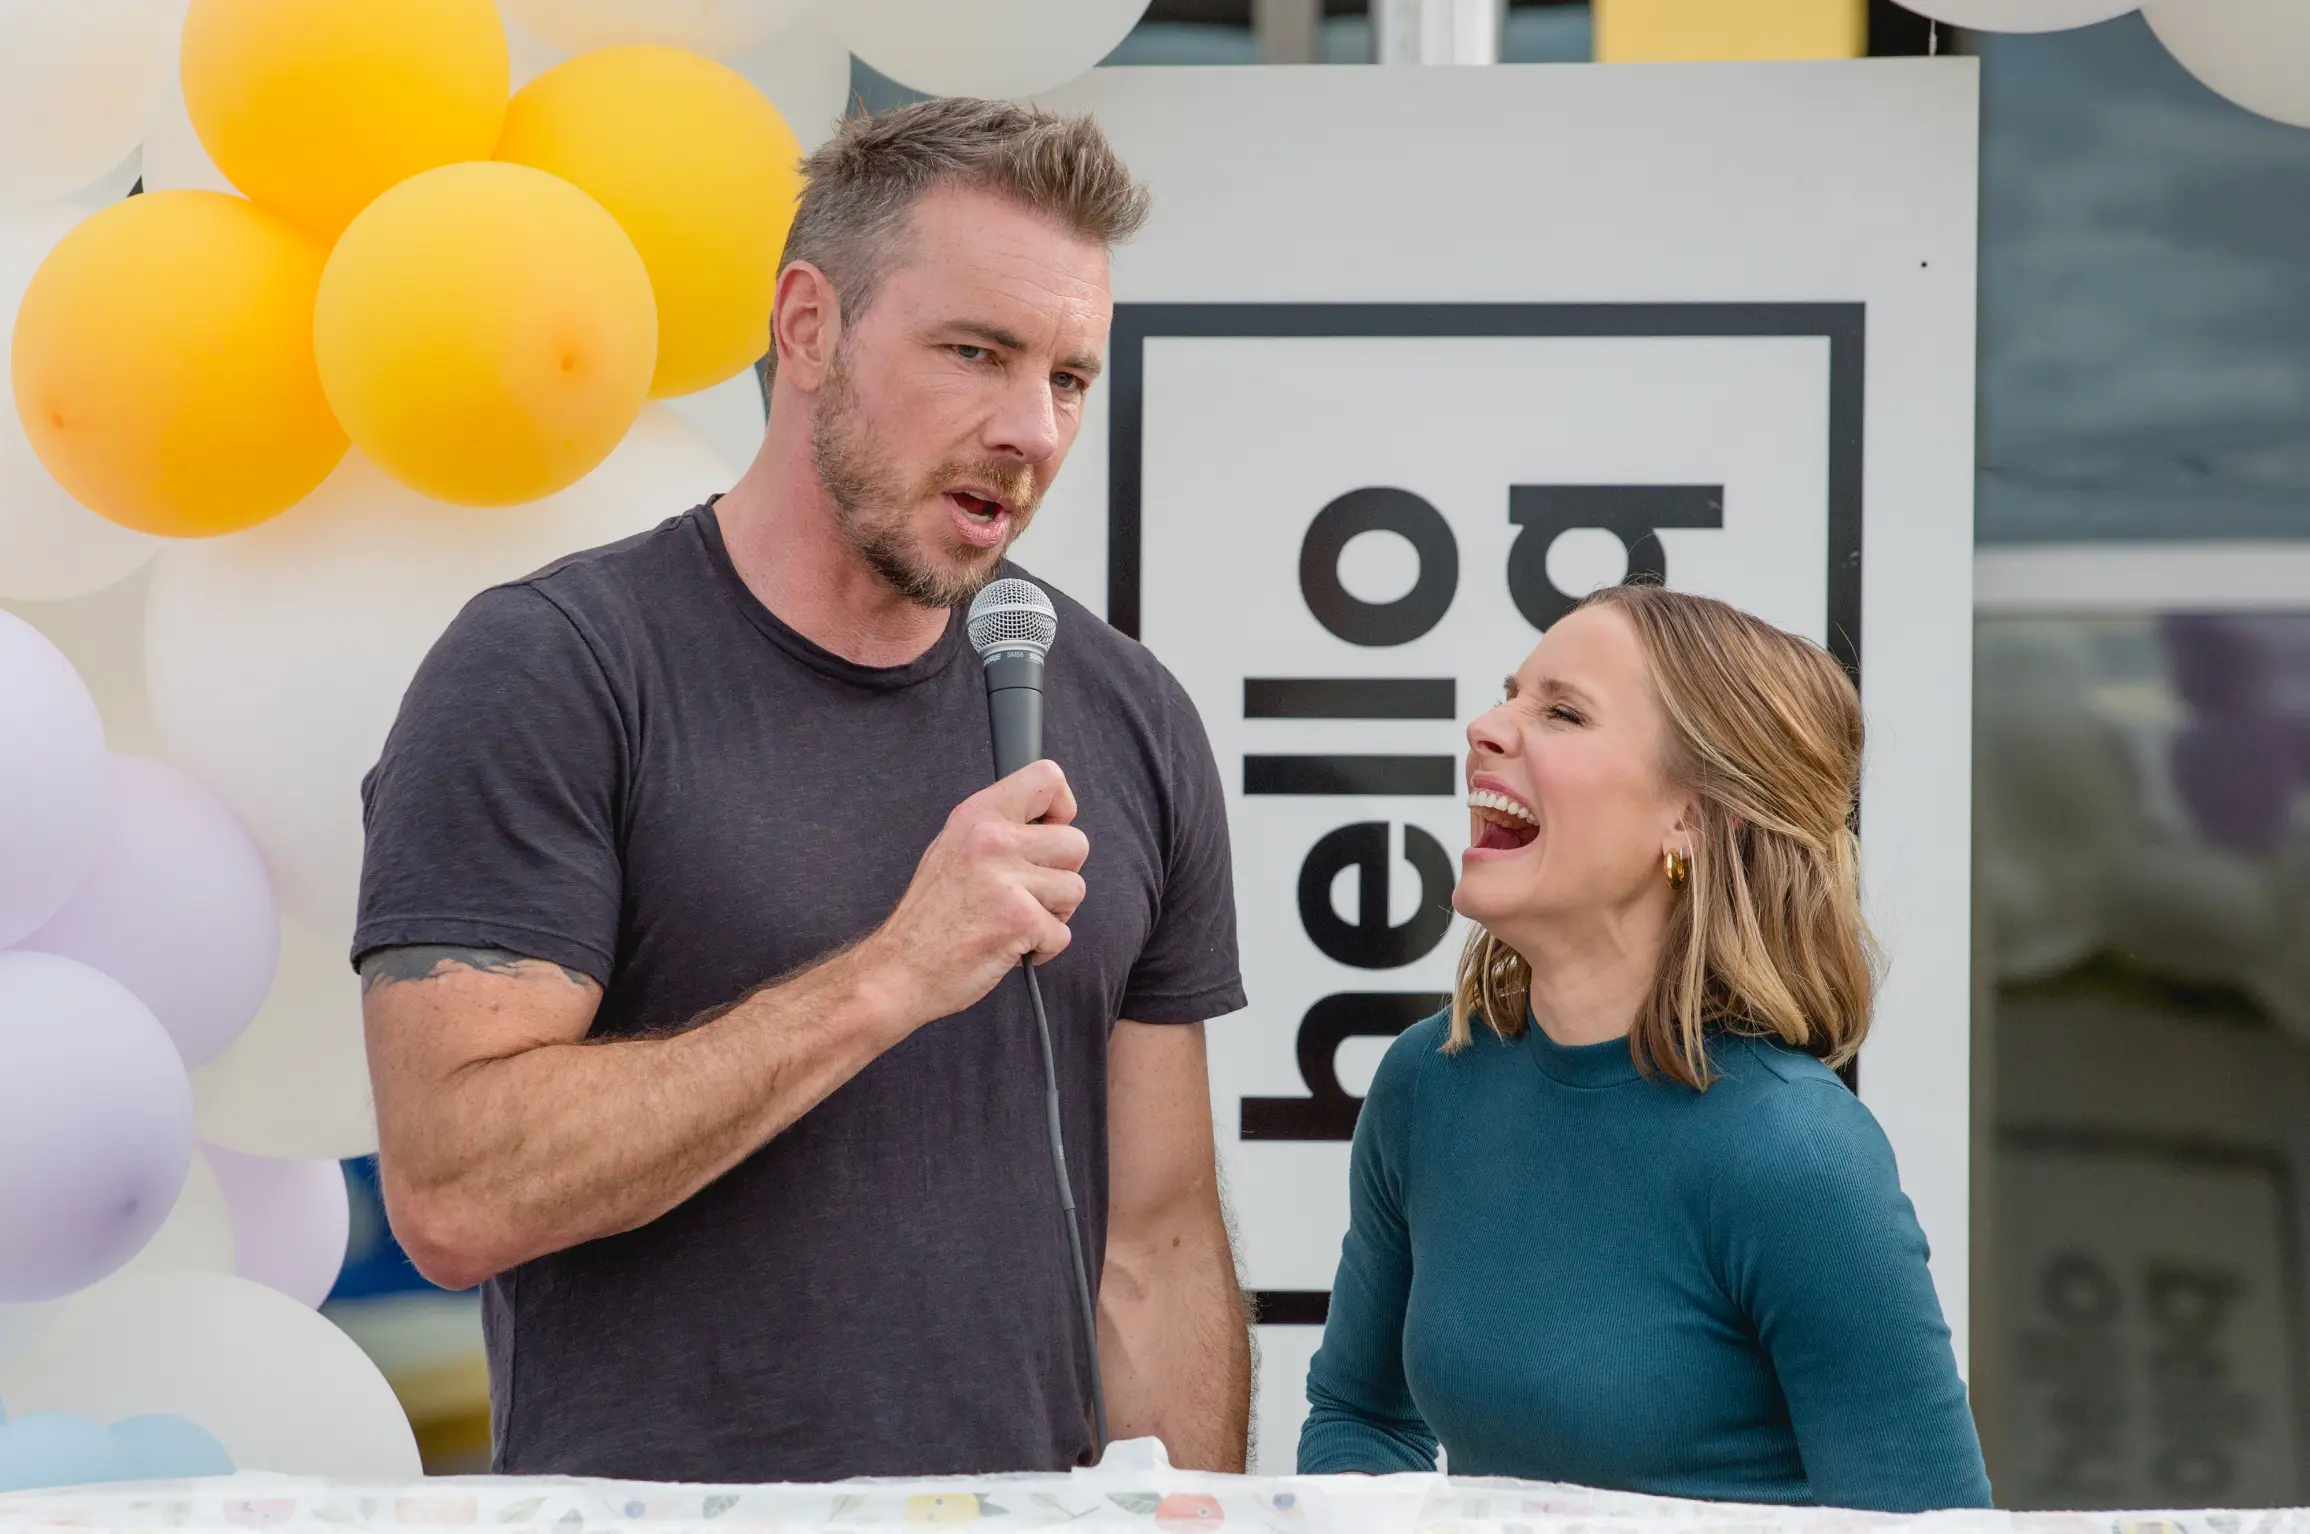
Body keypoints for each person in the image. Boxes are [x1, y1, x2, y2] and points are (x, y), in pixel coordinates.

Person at [354, 98, 1251, 1482]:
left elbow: (1159, 1241)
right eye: (975, 353)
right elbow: (455, 1191)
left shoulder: (1126, 713)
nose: (1030, 428)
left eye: (1070, 377)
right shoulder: (555, 668)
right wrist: (888, 973)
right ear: (809, 326)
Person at [1298, 584, 1992, 1512]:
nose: (1487, 727)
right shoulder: (1426, 1086)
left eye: (1562, 712)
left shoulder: (1798, 1156)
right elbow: (1362, 1415)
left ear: (1694, 818)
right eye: (1511, 694)